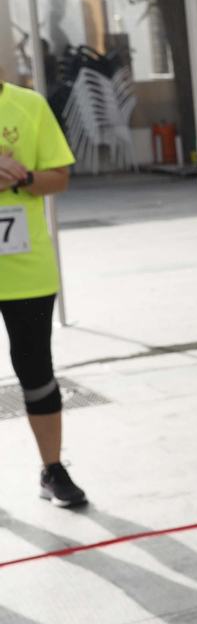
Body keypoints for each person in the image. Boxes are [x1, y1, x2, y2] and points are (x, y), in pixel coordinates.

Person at [0, 75, 84, 508]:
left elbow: (58, 178)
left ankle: (52, 470)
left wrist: (22, 175)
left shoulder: (29, 104)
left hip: (27, 271)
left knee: (36, 372)